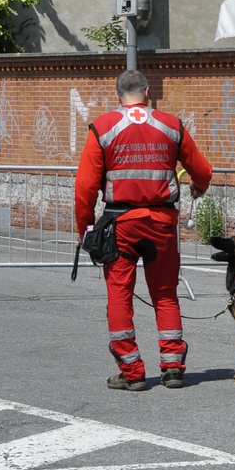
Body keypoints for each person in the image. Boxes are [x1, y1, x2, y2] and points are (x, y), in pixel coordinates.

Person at [73, 69, 213, 390]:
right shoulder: (171, 125)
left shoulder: (103, 128)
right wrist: (199, 187)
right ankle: (173, 366)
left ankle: (132, 371)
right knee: (165, 295)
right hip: (162, 224)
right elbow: (202, 170)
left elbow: (85, 187)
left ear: (117, 95)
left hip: (120, 225)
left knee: (119, 296)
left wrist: (86, 228)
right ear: (148, 92)